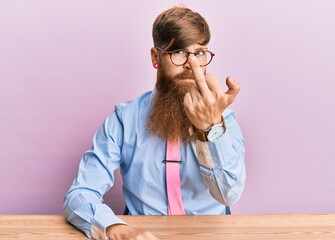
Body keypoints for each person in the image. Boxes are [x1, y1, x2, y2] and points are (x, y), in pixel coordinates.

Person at [64, 5, 246, 240]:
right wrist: (116, 229)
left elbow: (228, 195)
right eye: (178, 51)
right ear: (155, 57)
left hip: (210, 234)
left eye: (200, 52)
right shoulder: (124, 119)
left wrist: (209, 128)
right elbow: (81, 193)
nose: (192, 65)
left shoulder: (225, 120)